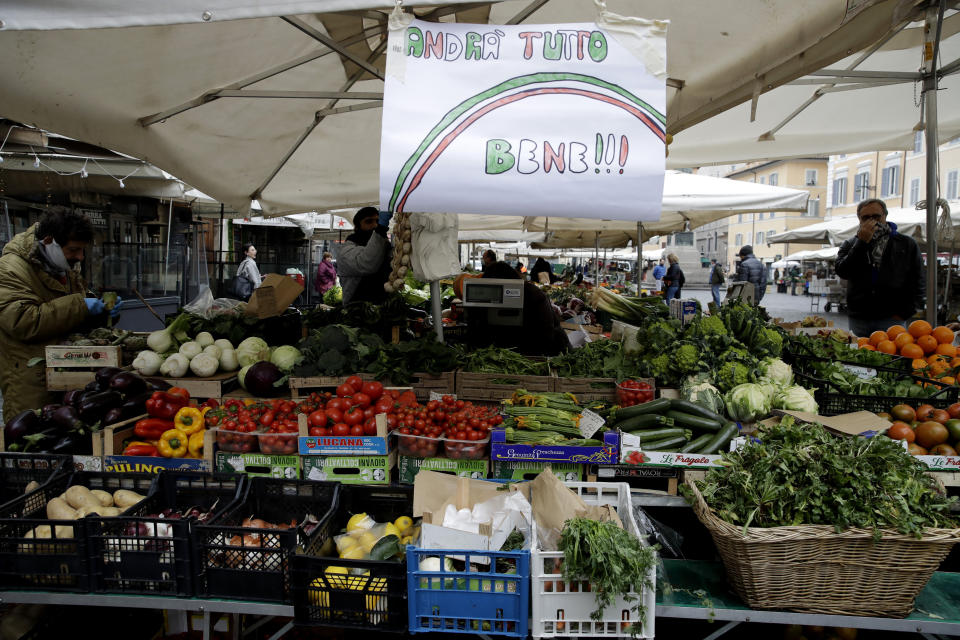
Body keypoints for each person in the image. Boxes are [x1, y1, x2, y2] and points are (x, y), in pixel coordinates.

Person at [0, 210, 121, 421]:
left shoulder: (61, 264)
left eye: (82, 250)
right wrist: (81, 306)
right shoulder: (10, 269)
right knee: (33, 438)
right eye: (74, 250)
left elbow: (77, 305)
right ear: (49, 241)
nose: (80, 257)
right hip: (31, 379)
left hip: (67, 370)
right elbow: (22, 321)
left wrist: (102, 310)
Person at [835, 198, 924, 337]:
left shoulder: (906, 244)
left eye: (876, 216)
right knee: (858, 354)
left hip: (892, 316)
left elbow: (918, 278)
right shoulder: (850, 243)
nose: (872, 221)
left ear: (885, 215)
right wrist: (861, 243)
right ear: (859, 219)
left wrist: (907, 311)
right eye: (866, 217)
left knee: (890, 355)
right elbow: (843, 271)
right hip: (859, 316)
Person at [467, 261, 570, 356]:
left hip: (550, 352)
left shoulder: (532, 295)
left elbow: (544, 337)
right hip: (526, 351)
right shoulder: (500, 298)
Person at [338, 206, 393, 305]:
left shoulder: (384, 245)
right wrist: (380, 229)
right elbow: (367, 263)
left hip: (384, 307)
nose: (375, 225)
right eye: (369, 221)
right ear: (358, 226)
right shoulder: (346, 250)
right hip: (358, 309)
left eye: (377, 221)